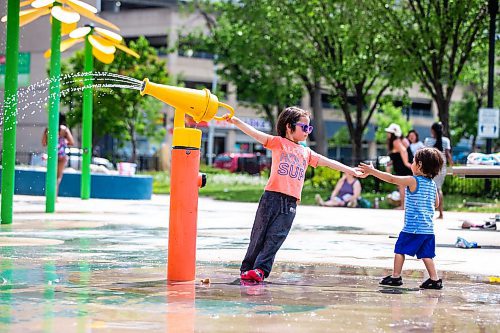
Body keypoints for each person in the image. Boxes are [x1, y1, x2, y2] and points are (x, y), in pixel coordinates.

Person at [222, 106, 362, 283]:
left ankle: (260, 270)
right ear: (289, 127)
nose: (307, 132)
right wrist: (235, 121)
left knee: (276, 237)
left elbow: (329, 162)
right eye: (304, 127)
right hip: (270, 198)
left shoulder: (306, 152)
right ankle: (247, 268)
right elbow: (256, 134)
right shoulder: (278, 143)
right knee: (259, 234)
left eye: (309, 128)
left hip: (290, 203)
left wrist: (351, 171)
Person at [358, 147, 444, 289]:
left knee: (400, 250)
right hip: (428, 229)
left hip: (412, 228)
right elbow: (436, 204)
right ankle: (434, 279)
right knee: (427, 254)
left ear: (420, 165)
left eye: (413, 161)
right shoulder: (432, 184)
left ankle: (396, 276)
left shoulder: (413, 180)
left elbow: (392, 179)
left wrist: (373, 171)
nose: (412, 163)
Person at [424, 122, 453, 219]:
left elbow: (425, 154)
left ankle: (430, 211)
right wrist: (452, 167)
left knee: (430, 190)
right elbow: (448, 155)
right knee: (438, 189)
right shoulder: (446, 140)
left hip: (430, 168)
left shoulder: (428, 140)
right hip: (442, 169)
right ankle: (441, 213)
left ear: (433, 130)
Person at [42, 113, 75, 198]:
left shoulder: (48, 129)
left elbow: (44, 143)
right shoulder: (64, 130)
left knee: (51, 175)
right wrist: (64, 141)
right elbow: (72, 142)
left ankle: (49, 195)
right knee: (58, 176)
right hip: (61, 155)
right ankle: (55, 196)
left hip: (52, 154)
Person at [385, 123, 412, 209]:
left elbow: (403, 150)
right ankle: (404, 205)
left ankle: (403, 206)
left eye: (389, 132)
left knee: (402, 186)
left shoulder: (396, 141)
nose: (388, 134)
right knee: (402, 186)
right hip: (399, 167)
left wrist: (406, 163)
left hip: (402, 167)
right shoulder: (396, 141)